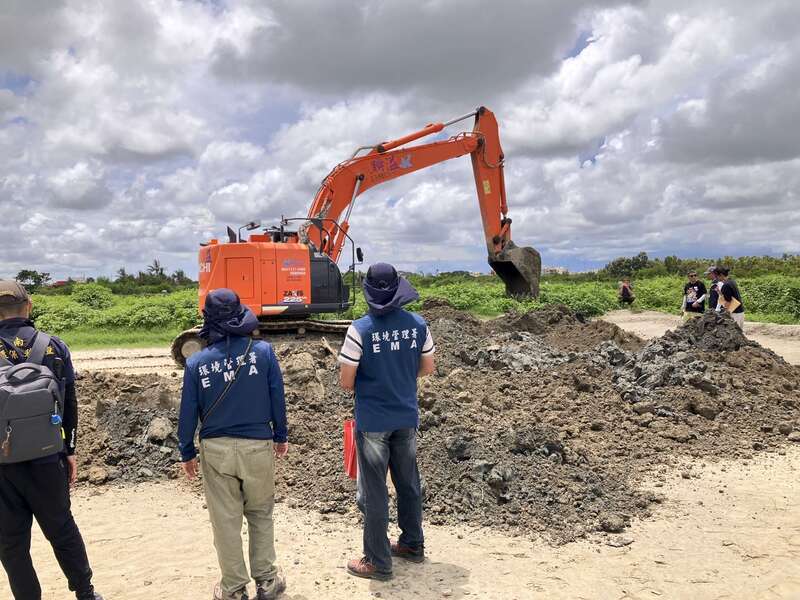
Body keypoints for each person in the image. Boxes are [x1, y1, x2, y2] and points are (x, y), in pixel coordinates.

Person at [178, 289, 288, 600]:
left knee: (225, 522)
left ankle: (234, 589)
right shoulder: (263, 353)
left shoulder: (197, 363)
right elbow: (277, 398)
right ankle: (267, 581)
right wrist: (280, 436)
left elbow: (188, 412)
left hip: (216, 451)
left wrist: (187, 451)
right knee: (260, 512)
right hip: (257, 446)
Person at [0, 280, 103, 600]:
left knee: (12, 543)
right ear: (28, 306)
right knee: (62, 529)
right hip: (48, 458)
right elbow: (70, 402)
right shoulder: (53, 346)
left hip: (2, 465)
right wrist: (69, 450)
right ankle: (86, 593)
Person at [338, 263, 435, 581]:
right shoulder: (418, 324)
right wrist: (400, 378)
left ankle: (378, 562)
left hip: (373, 421)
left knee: (375, 492)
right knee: (408, 482)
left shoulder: (360, 329)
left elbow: (346, 381)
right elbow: (427, 367)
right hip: (406, 416)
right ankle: (412, 544)